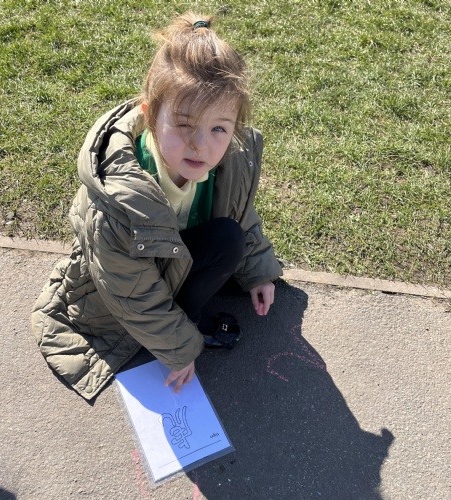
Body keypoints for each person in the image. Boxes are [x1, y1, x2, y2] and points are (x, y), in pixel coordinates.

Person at [31, 12, 283, 400]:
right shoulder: (118, 200)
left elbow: (240, 214)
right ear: (150, 116)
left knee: (228, 237)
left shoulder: (229, 161)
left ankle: (184, 315)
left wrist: (258, 272)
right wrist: (179, 348)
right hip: (126, 284)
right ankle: (185, 323)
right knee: (160, 302)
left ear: (235, 127)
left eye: (219, 128)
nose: (201, 145)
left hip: (172, 262)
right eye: (184, 124)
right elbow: (131, 294)